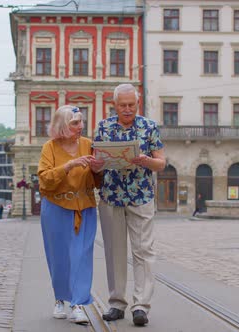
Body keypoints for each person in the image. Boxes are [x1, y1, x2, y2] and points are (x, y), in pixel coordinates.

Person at [92, 83, 166, 327]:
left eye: (131, 105)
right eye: (122, 105)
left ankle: (141, 306)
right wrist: (97, 164)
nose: (127, 109)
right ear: (114, 105)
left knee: (143, 251)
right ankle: (117, 303)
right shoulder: (103, 127)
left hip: (141, 195)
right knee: (114, 251)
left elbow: (161, 162)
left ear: (138, 103)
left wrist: (146, 161)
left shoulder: (149, 127)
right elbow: (97, 163)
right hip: (111, 196)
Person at [38, 105, 101, 325]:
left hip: (84, 207)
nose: (80, 126)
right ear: (63, 126)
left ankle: (78, 304)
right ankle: (59, 299)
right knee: (59, 258)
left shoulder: (89, 145)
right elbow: (44, 179)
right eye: (75, 123)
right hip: (55, 208)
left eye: (81, 122)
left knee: (82, 256)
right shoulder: (50, 148)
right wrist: (69, 165)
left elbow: (98, 181)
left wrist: (99, 169)